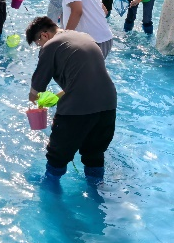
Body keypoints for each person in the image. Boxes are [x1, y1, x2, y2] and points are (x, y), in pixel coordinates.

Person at [25, 16, 117, 181]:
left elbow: (37, 87)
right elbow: (85, 78)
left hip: (77, 109)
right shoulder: (84, 37)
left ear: (44, 35)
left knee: (57, 155)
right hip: (108, 104)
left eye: (39, 43)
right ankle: (95, 187)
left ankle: (50, 187)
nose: (40, 47)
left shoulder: (51, 45)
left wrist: (34, 99)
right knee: (94, 154)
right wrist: (58, 96)